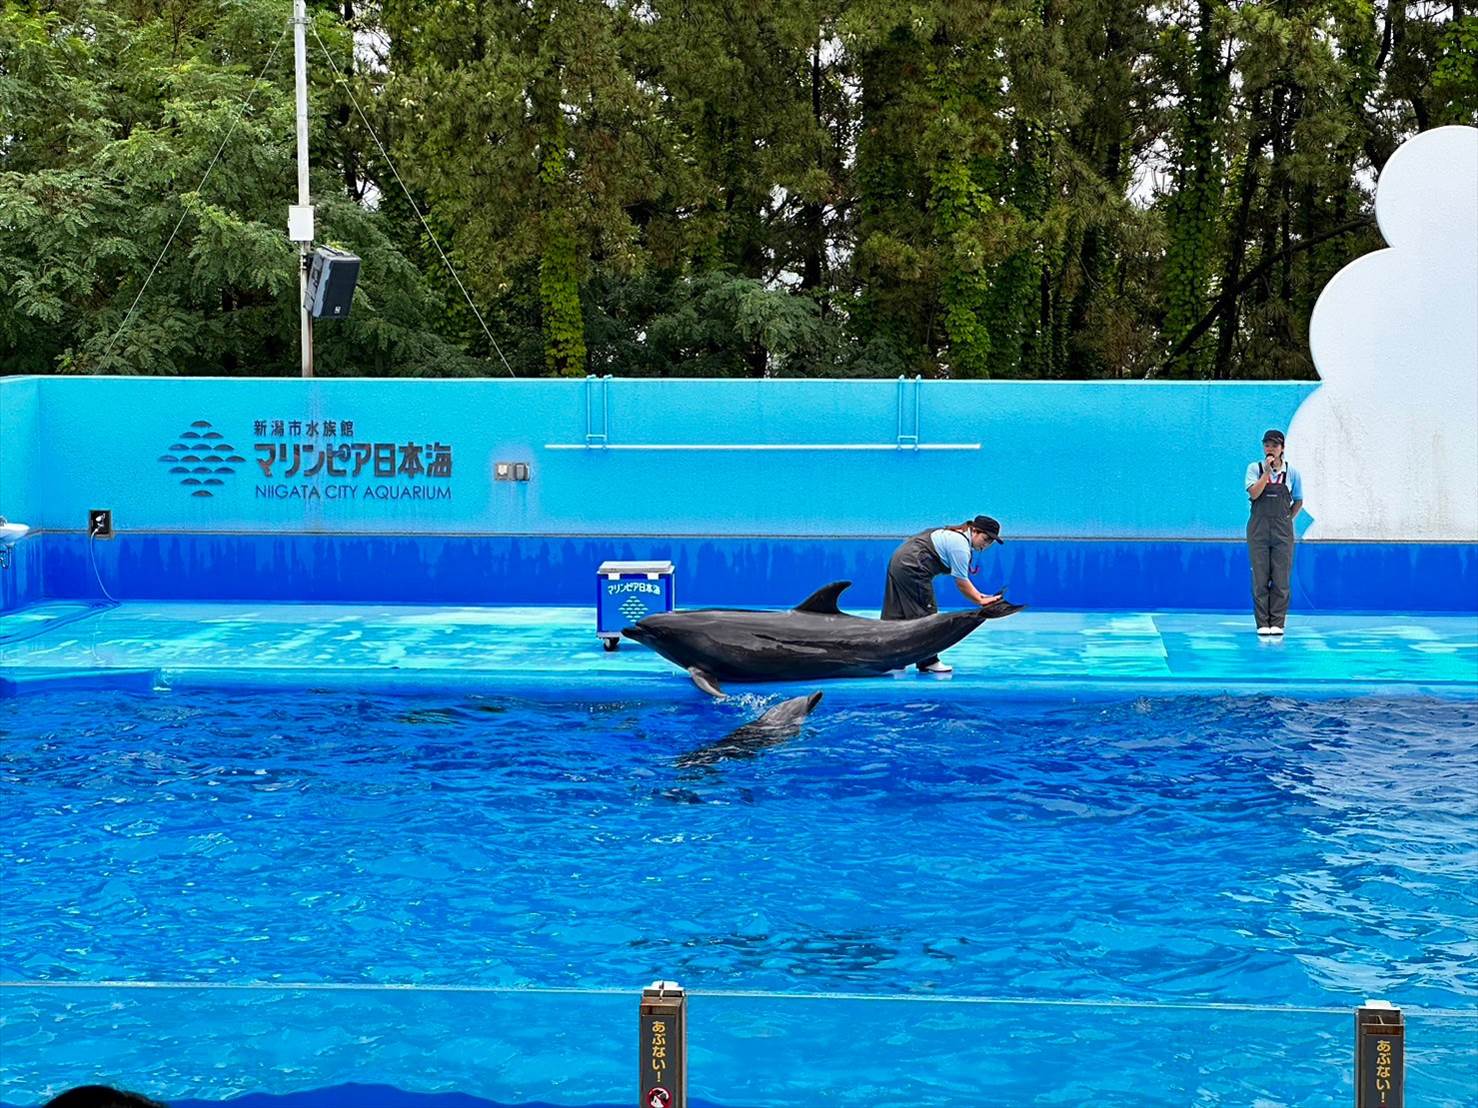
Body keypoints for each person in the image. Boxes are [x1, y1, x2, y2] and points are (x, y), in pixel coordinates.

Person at [882, 514, 1004, 673]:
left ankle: (892, 660)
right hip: (912, 565)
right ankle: (928, 661)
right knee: (926, 617)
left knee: (896, 615)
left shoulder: (954, 534)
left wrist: (980, 596)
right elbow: (961, 583)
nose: (987, 544)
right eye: (986, 538)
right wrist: (980, 601)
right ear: (974, 531)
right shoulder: (960, 545)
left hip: (898, 560)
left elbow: (965, 583)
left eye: (991, 542)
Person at [1245, 428, 1304, 635]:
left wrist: (1287, 519)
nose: (1270, 449)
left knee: (1280, 577)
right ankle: (1262, 623)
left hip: (1282, 530)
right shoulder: (1255, 468)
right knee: (1260, 577)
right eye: (1267, 445)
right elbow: (1254, 494)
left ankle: (1277, 622)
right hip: (1258, 529)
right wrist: (1267, 473)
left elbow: (1298, 500)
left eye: (1275, 445)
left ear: (1282, 448)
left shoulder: (1292, 472)